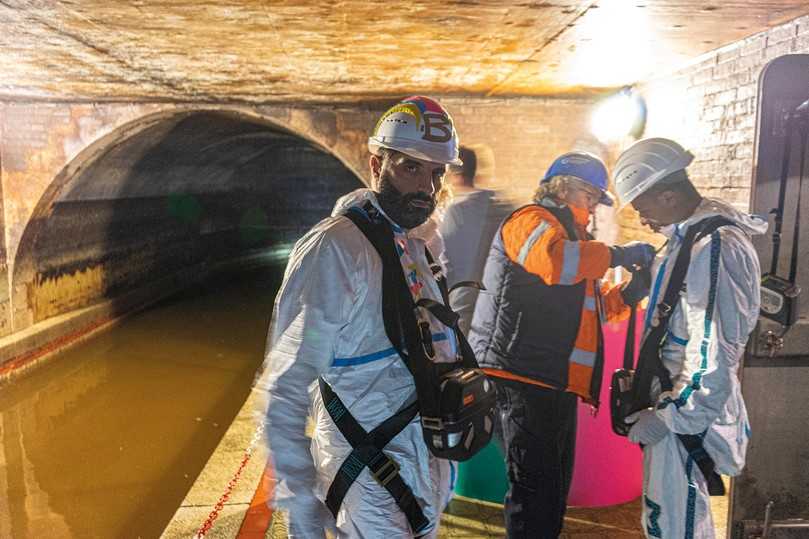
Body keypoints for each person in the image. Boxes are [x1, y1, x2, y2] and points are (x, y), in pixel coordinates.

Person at [256, 95, 464, 538]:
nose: (426, 187)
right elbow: (286, 384)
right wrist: (300, 499)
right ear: (376, 165)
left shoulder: (415, 247)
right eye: (411, 167)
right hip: (367, 479)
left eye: (436, 173)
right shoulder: (336, 249)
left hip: (422, 468)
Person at [468, 151, 656, 538]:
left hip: (552, 381)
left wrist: (631, 291)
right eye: (591, 197)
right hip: (520, 377)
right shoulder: (530, 222)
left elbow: (591, 308)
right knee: (532, 490)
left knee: (551, 490)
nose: (592, 209)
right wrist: (619, 254)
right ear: (566, 187)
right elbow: (555, 262)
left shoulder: (576, 241)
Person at [613, 137, 766, 539]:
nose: (643, 220)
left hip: (686, 414)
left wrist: (670, 417)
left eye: (643, 210)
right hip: (676, 403)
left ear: (667, 195)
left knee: (675, 524)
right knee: (671, 519)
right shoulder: (690, 241)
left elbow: (713, 350)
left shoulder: (714, 248)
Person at [439, 146, 512, 335]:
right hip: (499, 309)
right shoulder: (503, 206)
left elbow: (442, 262)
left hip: (463, 309)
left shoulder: (455, 212)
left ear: (454, 174)